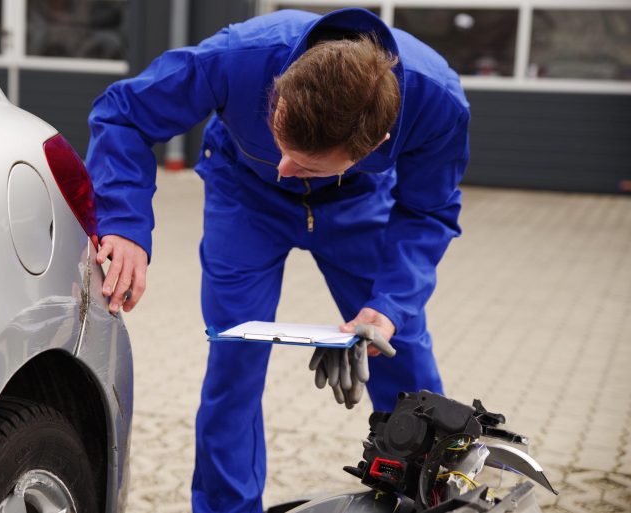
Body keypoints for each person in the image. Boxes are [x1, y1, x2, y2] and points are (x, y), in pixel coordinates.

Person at [86, 7, 470, 513]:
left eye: (306, 164)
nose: (287, 170)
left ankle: (428, 496)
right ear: (279, 87)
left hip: (358, 207)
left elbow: (427, 211)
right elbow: (122, 115)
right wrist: (124, 224)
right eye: (280, 139)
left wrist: (391, 304)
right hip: (244, 197)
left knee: (400, 349)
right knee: (234, 363)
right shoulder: (238, 58)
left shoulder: (435, 100)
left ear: (377, 143)